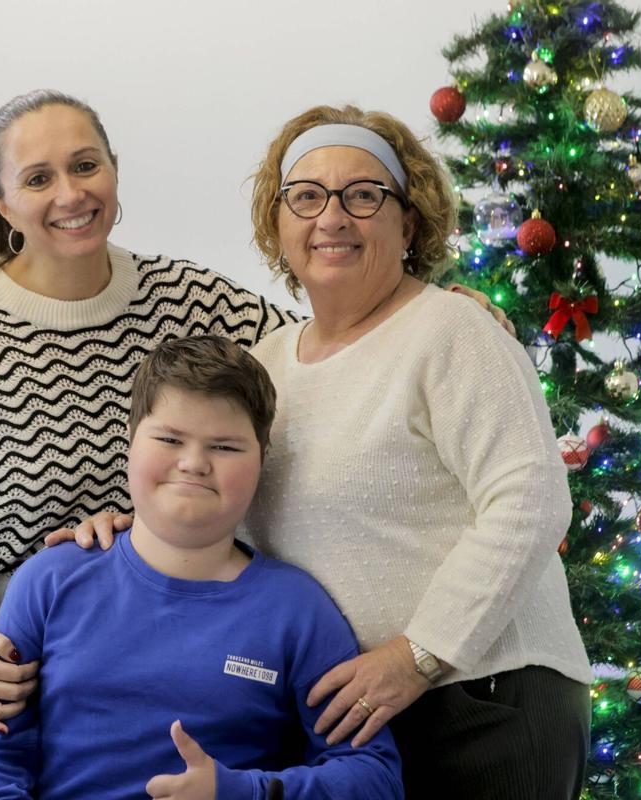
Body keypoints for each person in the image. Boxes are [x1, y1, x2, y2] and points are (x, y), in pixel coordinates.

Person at [0, 89, 502, 736]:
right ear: (2, 203)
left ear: (114, 170)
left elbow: (331, 346)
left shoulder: (185, 300)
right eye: (38, 179)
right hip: (31, 662)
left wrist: (438, 311)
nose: (71, 194)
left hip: (187, 642)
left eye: (85, 166)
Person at [59, 105, 594, 798]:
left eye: (363, 195)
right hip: (350, 723)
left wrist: (418, 655)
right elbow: (238, 501)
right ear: (279, 224)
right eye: (306, 197)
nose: (332, 217)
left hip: (482, 701)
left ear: (409, 222)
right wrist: (146, 528)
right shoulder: (269, 363)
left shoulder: (453, 332)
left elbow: (530, 503)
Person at [0, 335, 404, 799]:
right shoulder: (48, 580)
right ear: (130, 440)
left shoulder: (299, 610)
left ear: (262, 460)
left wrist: (244, 792)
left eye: (225, 447)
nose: (193, 464)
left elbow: (375, 777)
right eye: (169, 439)